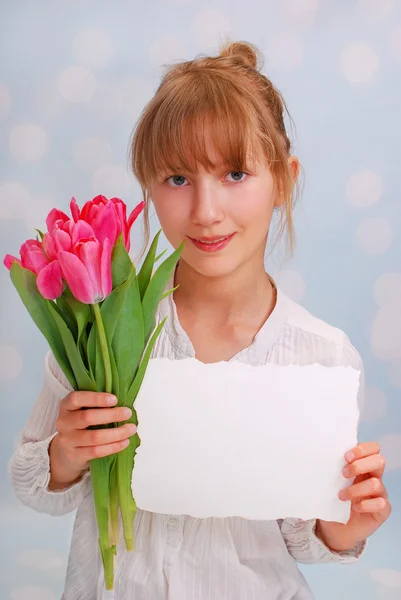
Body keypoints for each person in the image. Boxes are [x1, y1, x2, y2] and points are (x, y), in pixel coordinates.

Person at [9, 40, 391, 600]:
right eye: (178, 180)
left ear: (283, 181)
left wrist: (343, 525)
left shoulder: (321, 357)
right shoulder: (98, 333)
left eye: (235, 173)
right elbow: (34, 486)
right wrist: (64, 454)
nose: (206, 212)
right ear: (148, 189)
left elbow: (301, 536)